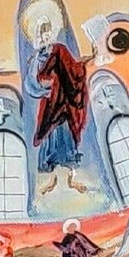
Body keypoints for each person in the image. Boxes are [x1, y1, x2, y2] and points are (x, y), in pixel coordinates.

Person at [25, 18, 90, 196]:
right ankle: (51, 179)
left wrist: (83, 64)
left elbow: (72, 69)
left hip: (64, 102)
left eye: (47, 33)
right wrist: (44, 87)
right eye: (42, 34)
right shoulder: (37, 58)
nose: (45, 37)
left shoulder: (60, 50)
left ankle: (72, 177)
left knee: (67, 139)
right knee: (50, 138)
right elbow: (30, 82)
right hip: (50, 103)